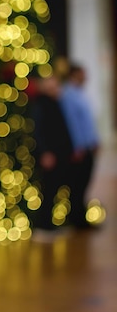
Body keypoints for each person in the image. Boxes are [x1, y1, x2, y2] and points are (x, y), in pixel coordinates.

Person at [31, 74, 74, 239]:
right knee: (48, 191)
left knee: (55, 190)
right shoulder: (41, 105)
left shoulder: (55, 103)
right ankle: (44, 227)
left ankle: (50, 225)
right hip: (50, 156)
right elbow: (39, 132)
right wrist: (45, 153)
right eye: (52, 85)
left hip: (59, 155)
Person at [60, 64, 100, 229]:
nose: (86, 77)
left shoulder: (80, 93)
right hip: (80, 149)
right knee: (78, 184)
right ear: (74, 75)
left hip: (88, 146)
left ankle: (80, 217)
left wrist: (95, 140)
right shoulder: (68, 95)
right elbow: (72, 123)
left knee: (84, 183)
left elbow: (87, 121)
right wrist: (77, 147)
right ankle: (76, 219)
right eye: (83, 74)